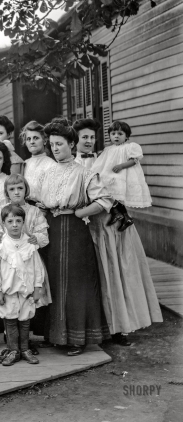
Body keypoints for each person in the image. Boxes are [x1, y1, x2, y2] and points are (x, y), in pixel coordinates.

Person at [73, 120, 162, 346]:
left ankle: (120, 326)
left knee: (116, 273)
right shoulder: (71, 163)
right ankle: (91, 329)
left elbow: (119, 186)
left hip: (111, 224)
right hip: (84, 225)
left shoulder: (106, 157)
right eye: (84, 137)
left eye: (92, 137)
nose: (89, 141)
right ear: (75, 140)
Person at [37, 120, 112, 355]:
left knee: (75, 284)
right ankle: (53, 334)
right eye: (52, 145)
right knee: (51, 279)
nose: (55, 148)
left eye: (59, 144)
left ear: (72, 144)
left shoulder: (84, 172)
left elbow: (104, 201)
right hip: (50, 229)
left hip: (75, 231)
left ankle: (76, 339)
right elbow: (40, 202)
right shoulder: (47, 172)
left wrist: (80, 212)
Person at [0, 174, 51, 355]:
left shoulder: (33, 211)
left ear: (26, 190)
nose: (16, 192)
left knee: (27, 306)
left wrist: (34, 238)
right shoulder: (0, 210)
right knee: (10, 307)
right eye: (12, 189)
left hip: (27, 258)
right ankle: (12, 345)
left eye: (20, 188)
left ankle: (25, 344)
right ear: (7, 192)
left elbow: (43, 234)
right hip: (8, 260)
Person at [91, 120, 152, 231]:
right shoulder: (108, 149)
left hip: (122, 175)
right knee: (106, 192)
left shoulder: (130, 147)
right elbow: (102, 162)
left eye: (120, 134)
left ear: (126, 136)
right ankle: (125, 217)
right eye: (113, 134)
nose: (116, 136)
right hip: (109, 175)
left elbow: (134, 161)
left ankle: (120, 214)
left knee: (115, 195)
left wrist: (121, 166)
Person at [19, 121, 55, 203]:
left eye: (36, 138)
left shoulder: (51, 165)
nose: (32, 142)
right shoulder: (24, 164)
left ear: (45, 141)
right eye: (28, 139)